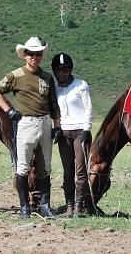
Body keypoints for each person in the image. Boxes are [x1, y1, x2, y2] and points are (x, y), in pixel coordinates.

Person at [0, 36, 61, 219]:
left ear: (41, 56)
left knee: (45, 167)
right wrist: (8, 111)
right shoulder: (16, 75)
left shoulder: (47, 77)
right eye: (31, 54)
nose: (34, 57)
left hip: (45, 122)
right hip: (26, 123)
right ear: (24, 55)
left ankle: (45, 205)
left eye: (38, 54)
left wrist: (57, 126)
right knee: (22, 168)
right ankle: (24, 207)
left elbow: (54, 104)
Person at [51, 52, 95, 217]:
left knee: (81, 170)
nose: (63, 73)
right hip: (63, 133)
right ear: (55, 71)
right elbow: (55, 112)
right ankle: (69, 205)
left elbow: (88, 107)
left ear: (70, 69)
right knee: (67, 171)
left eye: (66, 69)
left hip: (79, 132)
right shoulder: (55, 90)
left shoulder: (80, 85)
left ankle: (78, 206)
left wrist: (86, 129)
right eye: (60, 70)